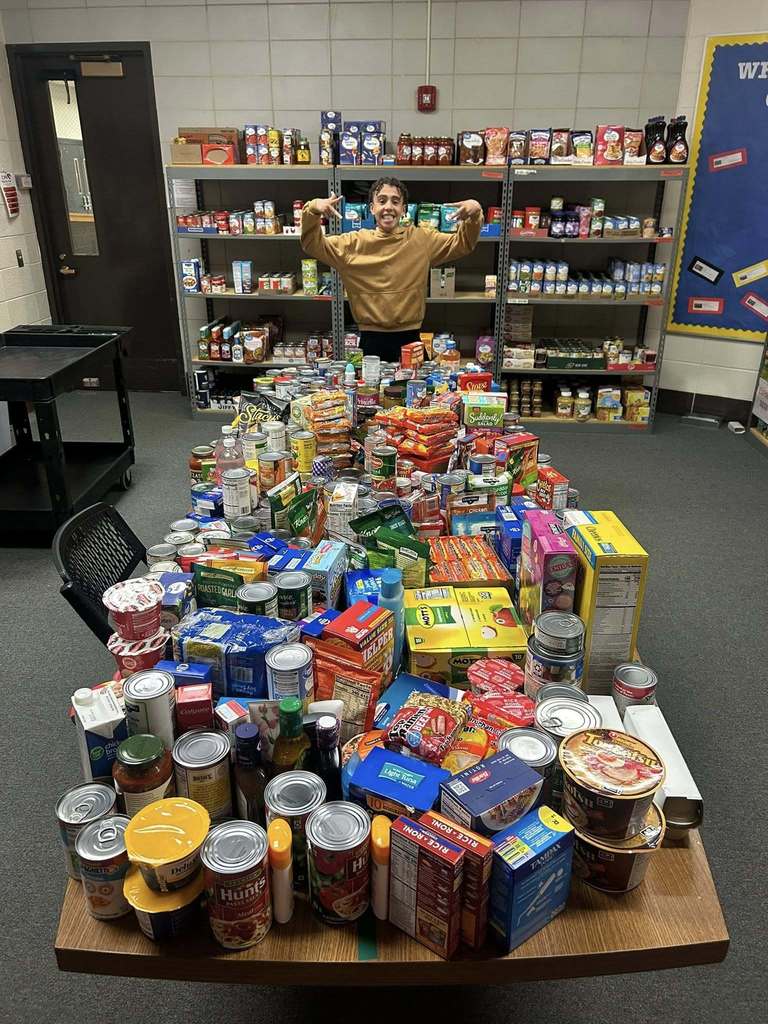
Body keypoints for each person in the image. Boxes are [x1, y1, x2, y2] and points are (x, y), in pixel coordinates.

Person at [301, 176, 483, 363]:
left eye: (395, 201)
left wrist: (475, 213)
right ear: (372, 208)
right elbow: (311, 244)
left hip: (411, 341)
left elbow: (463, 243)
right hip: (370, 342)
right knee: (367, 392)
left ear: (403, 209)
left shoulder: (421, 240)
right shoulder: (352, 244)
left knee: (418, 393)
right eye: (382, 201)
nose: (388, 206)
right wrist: (313, 209)